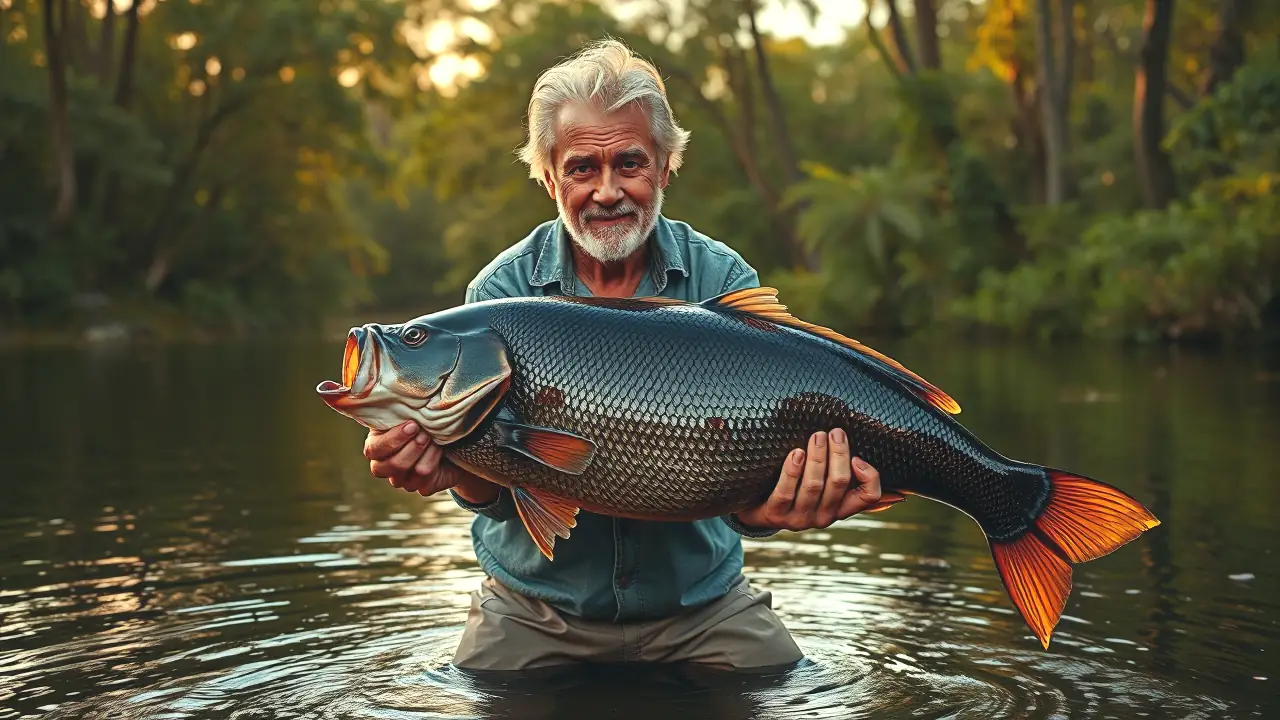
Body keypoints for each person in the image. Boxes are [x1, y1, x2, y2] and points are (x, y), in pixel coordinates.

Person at [361, 39, 887, 672]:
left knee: (781, 684)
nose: (607, 191)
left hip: (702, 610)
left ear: (665, 168)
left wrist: (771, 512)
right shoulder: (498, 295)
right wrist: (451, 470)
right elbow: (498, 492)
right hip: (533, 610)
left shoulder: (721, 280)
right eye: (582, 168)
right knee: (479, 692)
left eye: (630, 163)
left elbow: (745, 504)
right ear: (549, 178)